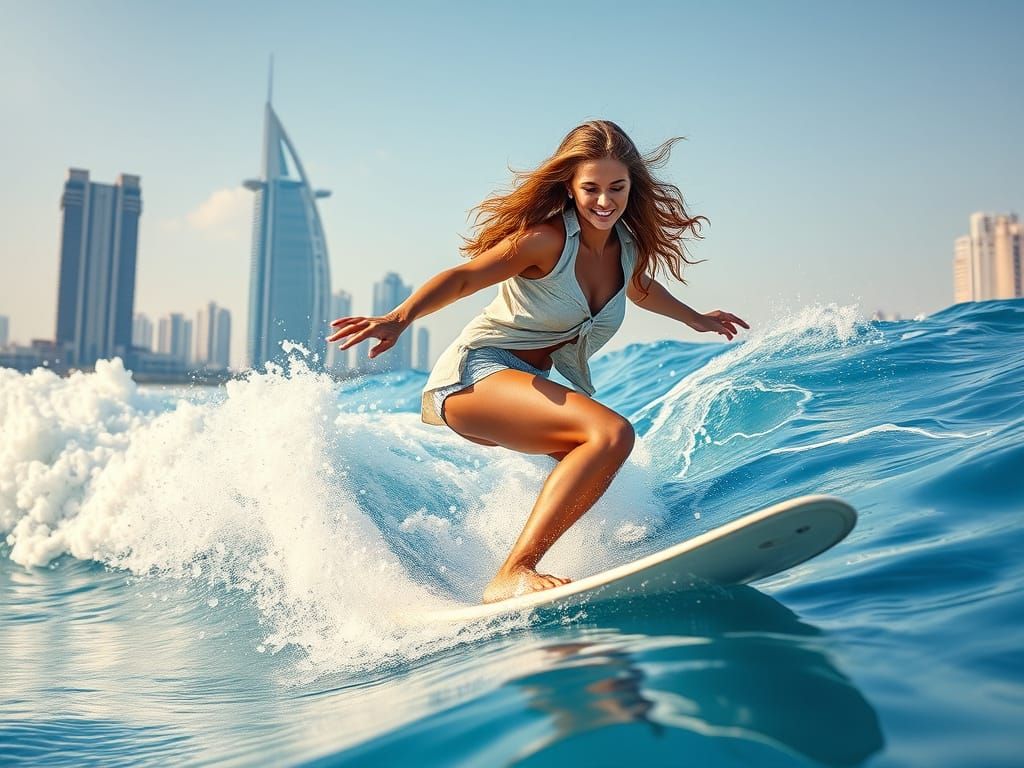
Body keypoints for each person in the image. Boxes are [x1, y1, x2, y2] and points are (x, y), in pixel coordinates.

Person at [327, 120, 748, 604]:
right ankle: (515, 571)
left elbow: (643, 290)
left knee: (601, 459)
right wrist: (401, 317)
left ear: (633, 187)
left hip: (522, 384)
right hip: (475, 376)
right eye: (591, 188)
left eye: (617, 188)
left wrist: (695, 319)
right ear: (570, 187)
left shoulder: (626, 250)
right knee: (611, 434)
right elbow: (466, 278)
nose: (604, 201)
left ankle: (570, 560)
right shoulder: (546, 240)